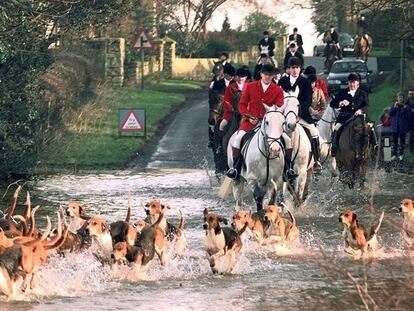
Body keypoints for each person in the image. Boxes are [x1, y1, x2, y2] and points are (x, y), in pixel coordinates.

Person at [226, 64, 295, 181]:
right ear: (261, 74)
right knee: (237, 139)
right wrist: (249, 116)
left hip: (271, 125)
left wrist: (273, 114)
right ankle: (235, 169)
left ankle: (287, 170)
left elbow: (279, 107)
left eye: (270, 75)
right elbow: (241, 105)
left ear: (273, 76)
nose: (267, 77)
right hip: (250, 122)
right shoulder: (251, 86)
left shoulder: (278, 90)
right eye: (266, 74)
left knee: (287, 141)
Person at [279, 56, 322, 173]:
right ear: (289, 68)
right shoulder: (282, 81)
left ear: (300, 69)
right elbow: (279, 99)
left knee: (314, 132)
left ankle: (317, 160)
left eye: (297, 68)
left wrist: (296, 111)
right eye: (292, 68)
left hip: (301, 115)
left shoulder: (305, 82)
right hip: (285, 115)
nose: (294, 70)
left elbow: (308, 100)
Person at [329, 73, 371, 157]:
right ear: (348, 83)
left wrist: (360, 110)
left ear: (357, 83)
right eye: (350, 82)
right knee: (336, 127)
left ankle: (374, 146)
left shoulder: (362, 93)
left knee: (370, 127)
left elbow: (367, 106)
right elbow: (332, 103)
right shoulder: (343, 92)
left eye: (353, 82)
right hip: (345, 117)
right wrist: (340, 103)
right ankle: (334, 147)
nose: (352, 84)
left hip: (359, 117)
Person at [208, 65, 236, 148]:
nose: (232, 77)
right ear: (225, 74)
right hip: (219, 107)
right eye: (230, 75)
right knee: (211, 122)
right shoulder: (217, 84)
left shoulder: (234, 84)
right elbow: (212, 97)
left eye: (233, 75)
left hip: (232, 107)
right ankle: (211, 139)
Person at [389, 92, 412, 160]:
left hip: (402, 127)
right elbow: (391, 114)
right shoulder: (394, 105)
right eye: (399, 97)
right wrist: (395, 108)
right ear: (397, 98)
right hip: (395, 127)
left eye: (401, 98)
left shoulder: (406, 106)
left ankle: (401, 154)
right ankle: (394, 154)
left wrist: (405, 109)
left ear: (403, 99)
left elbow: (409, 116)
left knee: (402, 141)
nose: (400, 99)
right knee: (395, 141)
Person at [405, 88, 414, 153]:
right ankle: (411, 150)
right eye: (410, 94)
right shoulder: (407, 102)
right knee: (411, 136)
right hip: (410, 122)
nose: (411, 95)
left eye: (412, 94)